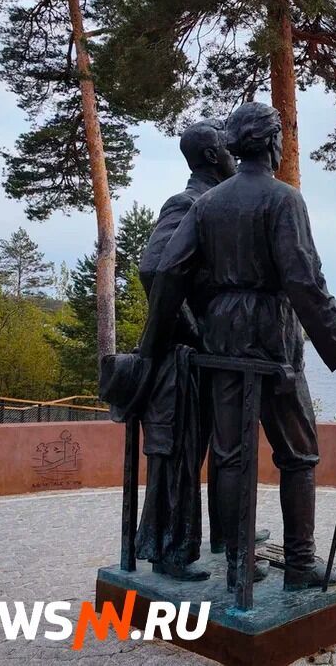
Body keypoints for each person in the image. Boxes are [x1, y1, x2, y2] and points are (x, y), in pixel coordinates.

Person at [140, 102, 336, 591]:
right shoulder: (284, 199)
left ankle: (239, 565)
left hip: (223, 337)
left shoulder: (208, 203)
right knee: (299, 453)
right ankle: (300, 564)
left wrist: (156, 342)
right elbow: (304, 281)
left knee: (230, 454)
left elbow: (167, 271)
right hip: (272, 336)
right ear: (271, 143)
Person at [134, 118, 248, 581]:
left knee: (218, 448)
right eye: (227, 149)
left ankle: (222, 535)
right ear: (211, 156)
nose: (234, 156)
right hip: (182, 358)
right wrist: (194, 332)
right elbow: (153, 269)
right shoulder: (187, 203)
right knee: (178, 456)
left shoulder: (216, 203)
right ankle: (169, 551)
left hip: (204, 355)